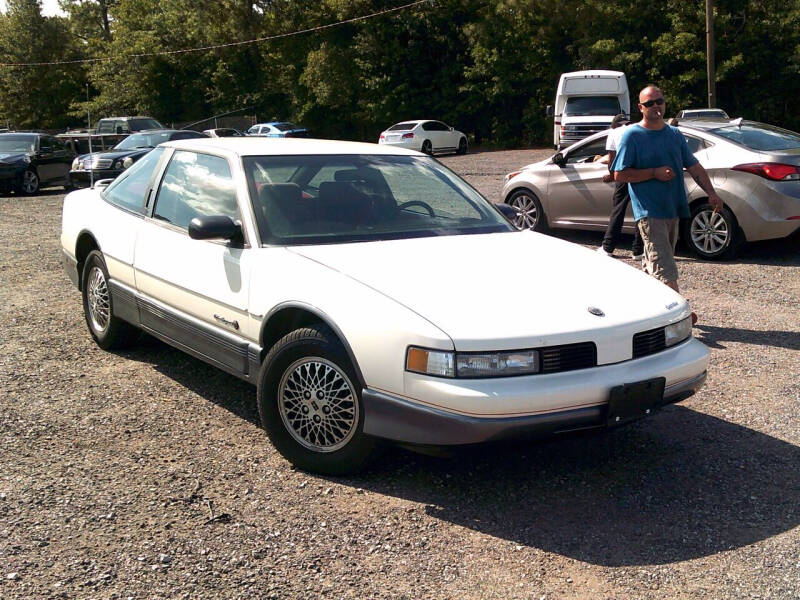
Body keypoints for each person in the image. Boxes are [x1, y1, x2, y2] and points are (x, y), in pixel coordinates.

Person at [611, 85, 722, 294]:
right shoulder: (632, 135)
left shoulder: (674, 134)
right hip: (649, 212)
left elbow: (694, 167)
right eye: (649, 103)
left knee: (654, 264)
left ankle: (645, 311)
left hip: (673, 209)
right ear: (640, 107)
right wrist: (654, 173)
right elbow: (619, 174)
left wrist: (711, 193)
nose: (656, 106)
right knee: (665, 269)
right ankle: (680, 317)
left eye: (659, 101)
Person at [597, 114, 643, 259]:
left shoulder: (614, 132)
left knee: (618, 210)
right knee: (640, 211)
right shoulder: (639, 129)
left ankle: (608, 247)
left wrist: (611, 175)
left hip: (623, 173)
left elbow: (612, 158)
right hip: (641, 173)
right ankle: (639, 250)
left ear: (614, 125)